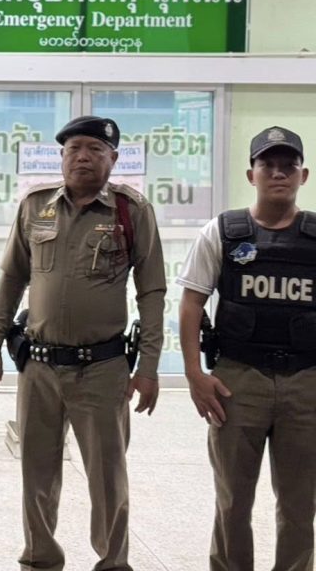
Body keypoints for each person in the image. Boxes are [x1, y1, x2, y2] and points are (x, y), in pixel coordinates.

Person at [0, 115, 166, 571]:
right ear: (61, 156)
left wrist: (148, 367)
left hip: (101, 368)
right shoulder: (35, 206)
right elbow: (11, 279)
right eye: (74, 149)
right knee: (36, 474)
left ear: (112, 158)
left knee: (107, 478)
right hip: (39, 366)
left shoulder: (130, 210)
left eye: (95, 149)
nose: (83, 157)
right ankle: (39, 558)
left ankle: (113, 562)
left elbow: (152, 291)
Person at [177, 125, 316, 571]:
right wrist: (195, 375)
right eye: (267, 164)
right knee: (233, 500)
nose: (278, 173)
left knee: (300, 504)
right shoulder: (222, 232)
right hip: (237, 380)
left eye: (288, 165)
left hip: (306, 382)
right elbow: (192, 303)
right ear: (251, 174)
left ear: (303, 175)